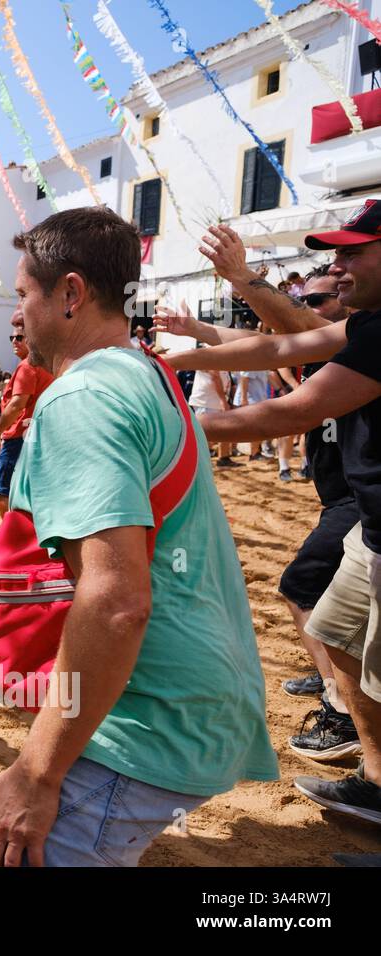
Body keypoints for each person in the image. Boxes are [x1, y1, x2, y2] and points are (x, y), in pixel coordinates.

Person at [0, 206, 279, 866]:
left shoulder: (82, 396)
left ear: (70, 294)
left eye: (24, 294)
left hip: (145, 717)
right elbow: (129, 559)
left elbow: (118, 602)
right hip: (196, 701)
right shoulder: (148, 375)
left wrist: (35, 772)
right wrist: (1, 636)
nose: (16, 314)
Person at [165, 199, 381, 824]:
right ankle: (376, 779)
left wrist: (174, 423)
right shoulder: (367, 325)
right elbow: (281, 345)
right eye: (334, 255)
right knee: (335, 633)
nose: (338, 269)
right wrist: (181, 359)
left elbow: (296, 409)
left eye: (353, 253)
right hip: (373, 527)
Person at [0, 329, 53, 517]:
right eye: (11, 337)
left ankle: (10, 537)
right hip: (39, 435)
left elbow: (17, 405)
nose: (14, 341)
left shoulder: (27, 366)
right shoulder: (49, 364)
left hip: (19, 435)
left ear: (31, 339)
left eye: (19, 337)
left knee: (4, 490)